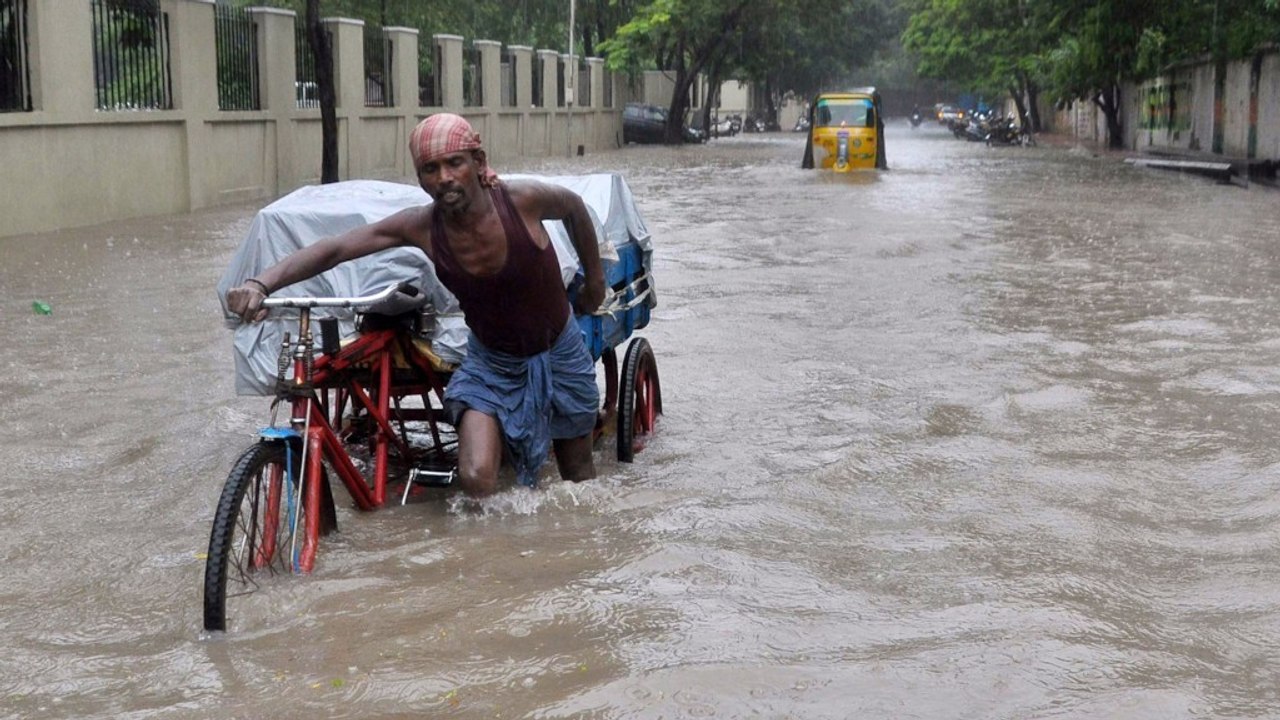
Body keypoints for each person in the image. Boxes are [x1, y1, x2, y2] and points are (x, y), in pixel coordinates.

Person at [225, 113, 606, 497]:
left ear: (478, 162)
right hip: (491, 363)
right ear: (420, 178)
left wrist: (595, 281)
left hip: (557, 351)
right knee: (475, 478)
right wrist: (261, 283)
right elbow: (336, 248)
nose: (444, 178)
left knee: (577, 476)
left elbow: (574, 208)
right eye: (430, 169)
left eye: (454, 163)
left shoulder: (522, 201)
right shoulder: (421, 226)